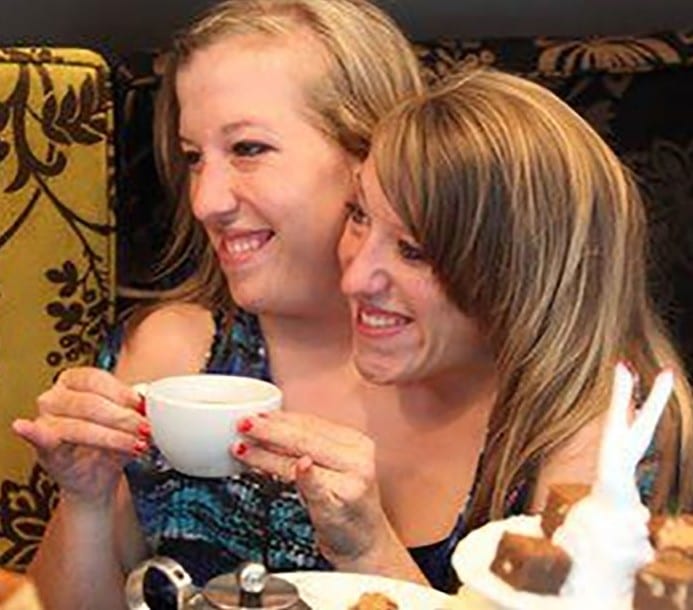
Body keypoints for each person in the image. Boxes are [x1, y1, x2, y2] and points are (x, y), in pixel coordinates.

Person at [12, 1, 423, 609]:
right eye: (193, 157)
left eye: (248, 148)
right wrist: (86, 500)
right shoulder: (173, 354)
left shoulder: (496, 379)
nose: (205, 201)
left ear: (371, 154)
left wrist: (373, 551)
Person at [232, 68, 693, 589]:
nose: (354, 279)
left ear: (521, 276)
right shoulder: (370, 371)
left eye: (414, 251)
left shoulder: (605, 446)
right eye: (359, 215)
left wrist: (370, 551)